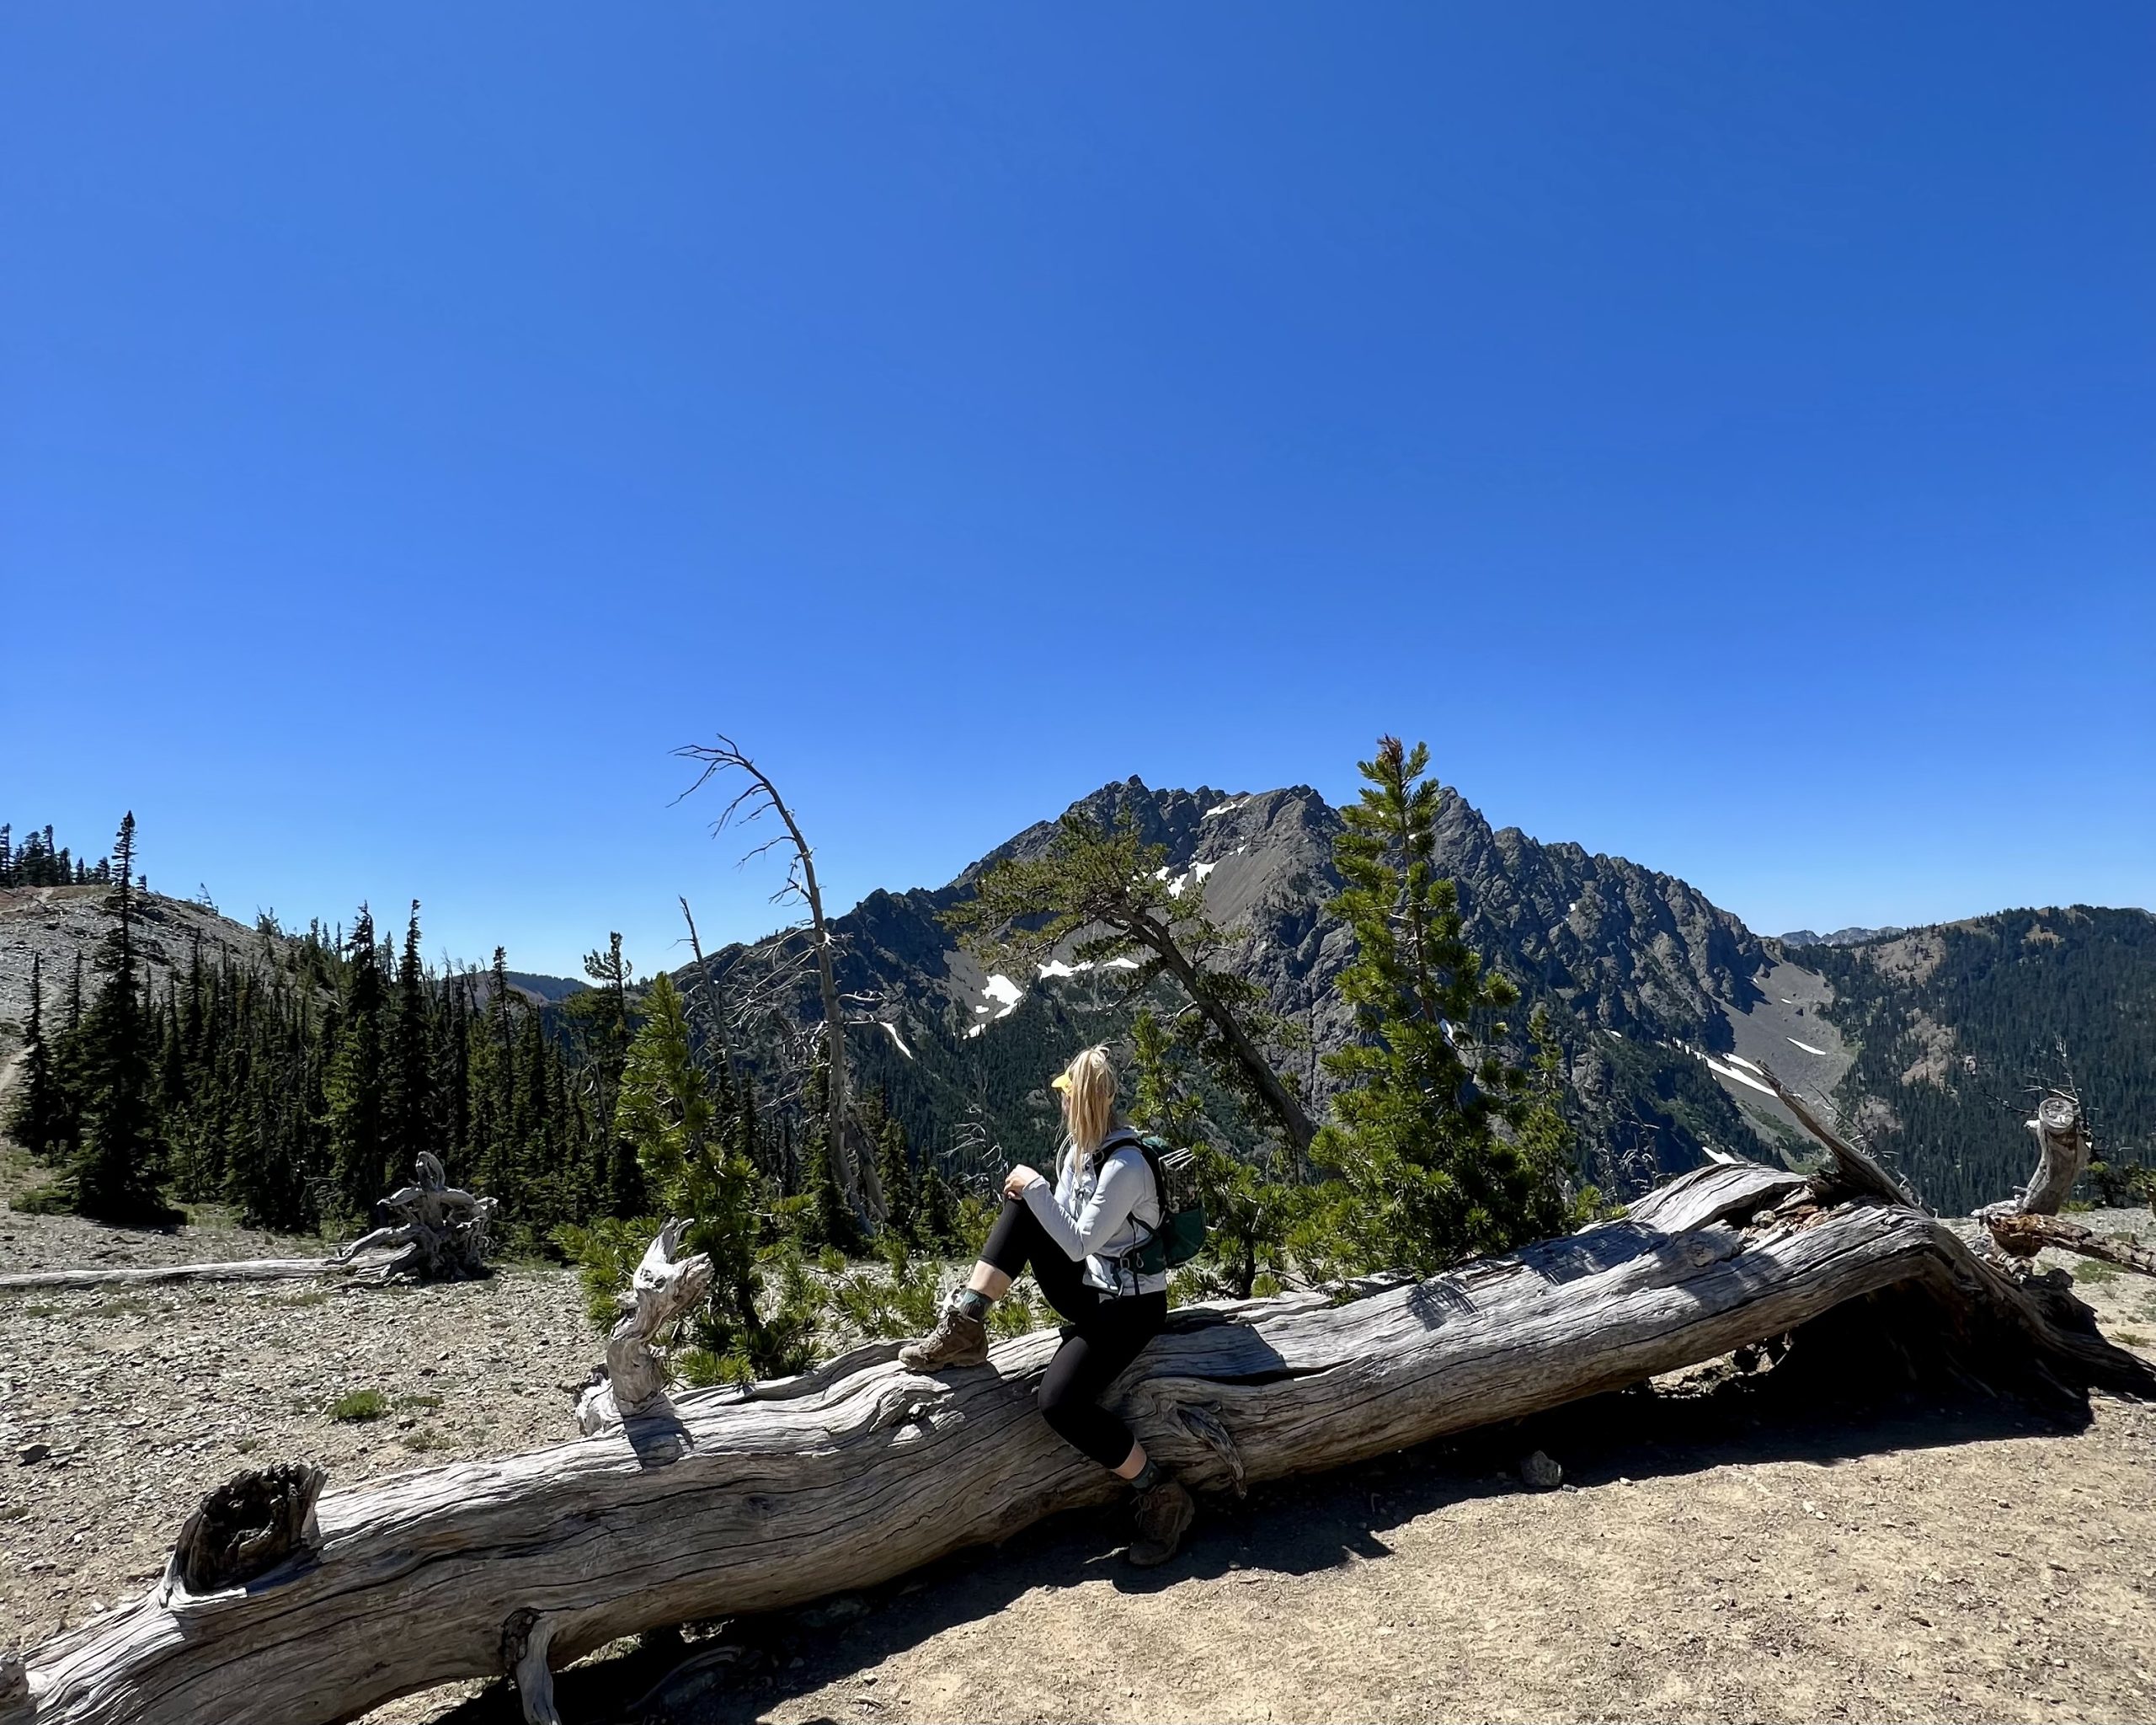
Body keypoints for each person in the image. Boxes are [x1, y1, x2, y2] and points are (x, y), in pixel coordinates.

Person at [899, 1043, 1195, 1566]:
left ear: (1083, 1102)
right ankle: (967, 1322)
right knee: (1022, 1209)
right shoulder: (1079, 1153)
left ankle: (1159, 1490)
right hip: (1095, 1288)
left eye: (1066, 1096)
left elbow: (1078, 1242)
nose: (1060, 1103)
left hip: (1129, 1308)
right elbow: (1056, 1225)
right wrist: (1035, 1193)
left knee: (1059, 1403)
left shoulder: (1125, 1166)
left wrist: (1034, 1186)